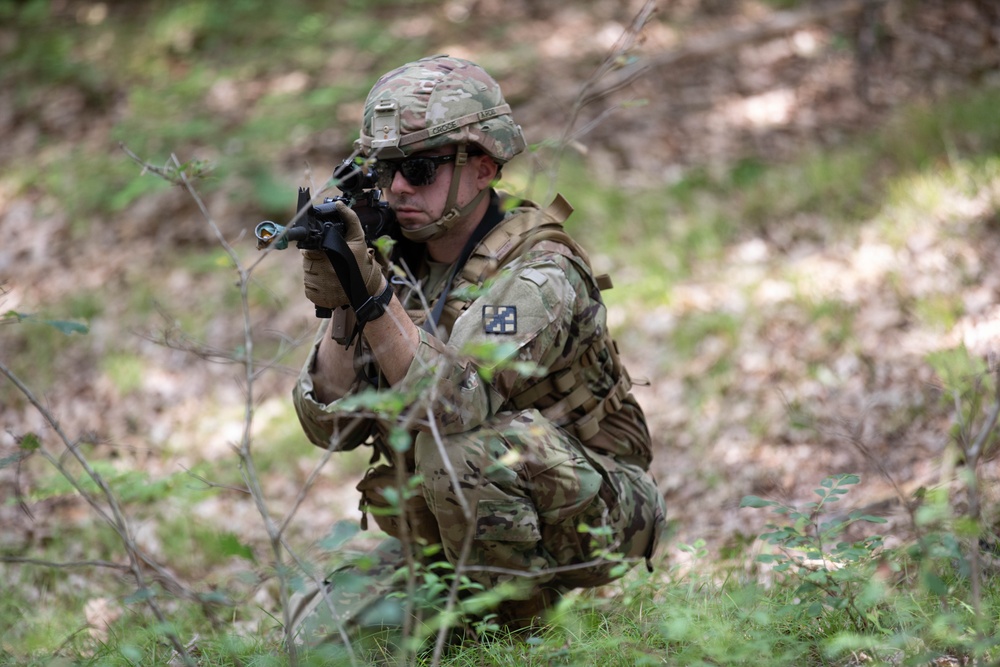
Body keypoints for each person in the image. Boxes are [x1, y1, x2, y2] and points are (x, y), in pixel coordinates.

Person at [287, 55, 666, 645]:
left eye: (419, 167)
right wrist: (344, 301)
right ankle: (465, 616)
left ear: (483, 166)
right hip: (450, 528)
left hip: (596, 508)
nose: (398, 188)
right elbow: (329, 427)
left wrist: (374, 298)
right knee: (315, 644)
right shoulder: (398, 259)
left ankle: (515, 636)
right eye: (384, 170)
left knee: (464, 447)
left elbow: (453, 407)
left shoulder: (540, 269)